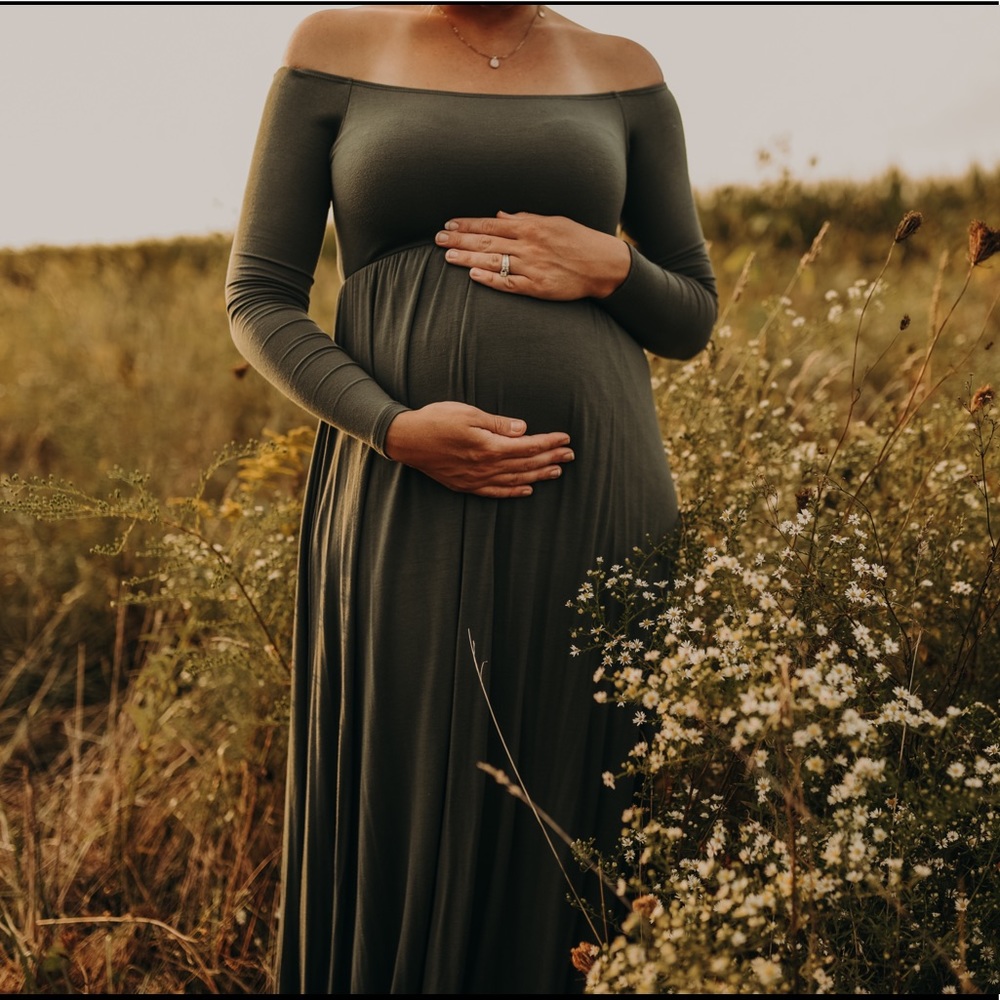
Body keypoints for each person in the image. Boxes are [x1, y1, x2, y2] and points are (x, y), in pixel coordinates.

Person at [226, 4, 717, 993]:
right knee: (412, 783)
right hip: (398, 486)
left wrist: (612, 264)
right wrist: (391, 426)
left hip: (599, 498)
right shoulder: (334, 50)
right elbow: (259, 296)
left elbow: (692, 313)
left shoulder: (622, 70)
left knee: (583, 791)